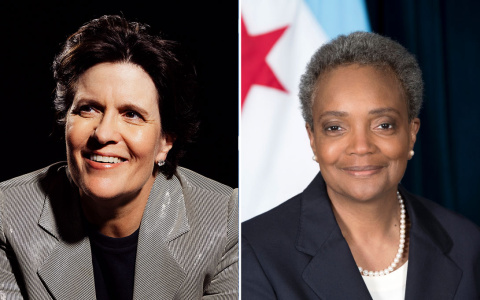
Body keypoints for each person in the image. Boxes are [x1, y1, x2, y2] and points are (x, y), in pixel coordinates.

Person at [0, 15, 238, 299]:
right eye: (88, 109)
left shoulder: (226, 222)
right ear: (66, 120)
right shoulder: (7, 214)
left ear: (165, 142)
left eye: (131, 114)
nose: (103, 133)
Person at [241, 31, 480, 299]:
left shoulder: (466, 243)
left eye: (383, 125)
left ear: (411, 133)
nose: (361, 146)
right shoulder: (253, 251)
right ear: (313, 139)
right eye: (335, 127)